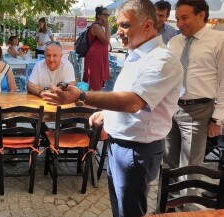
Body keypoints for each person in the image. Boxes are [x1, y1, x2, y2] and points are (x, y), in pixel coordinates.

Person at [42, 0, 183, 216]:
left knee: (129, 211)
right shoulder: (136, 55)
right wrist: (106, 112)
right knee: (120, 208)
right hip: (120, 147)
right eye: (118, 26)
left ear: (147, 25)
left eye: (125, 25)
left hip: (136, 150)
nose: (119, 32)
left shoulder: (162, 59)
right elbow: (127, 97)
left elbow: (134, 101)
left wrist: (81, 95)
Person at [164, 0, 224, 199]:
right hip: (171, 107)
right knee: (168, 161)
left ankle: (187, 207)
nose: (179, 24)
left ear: (202, 15)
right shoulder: (174, 42)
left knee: (190, 165)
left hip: (199, 110)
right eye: (178, 18)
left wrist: (217, 118)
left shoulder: (219, 40)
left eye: (184, 17)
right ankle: (169, 204)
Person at [82, 6, 110, 91]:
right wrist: (107, 26)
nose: (106, 17)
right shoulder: (96, 26)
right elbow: (106, 40)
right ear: (98, 15)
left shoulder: (101, 27)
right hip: (95, 57)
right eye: (104, 15)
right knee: (94, 82)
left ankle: (94, 101)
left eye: (107, 15)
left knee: (97, 82)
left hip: (100, 56)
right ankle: (92, 102)